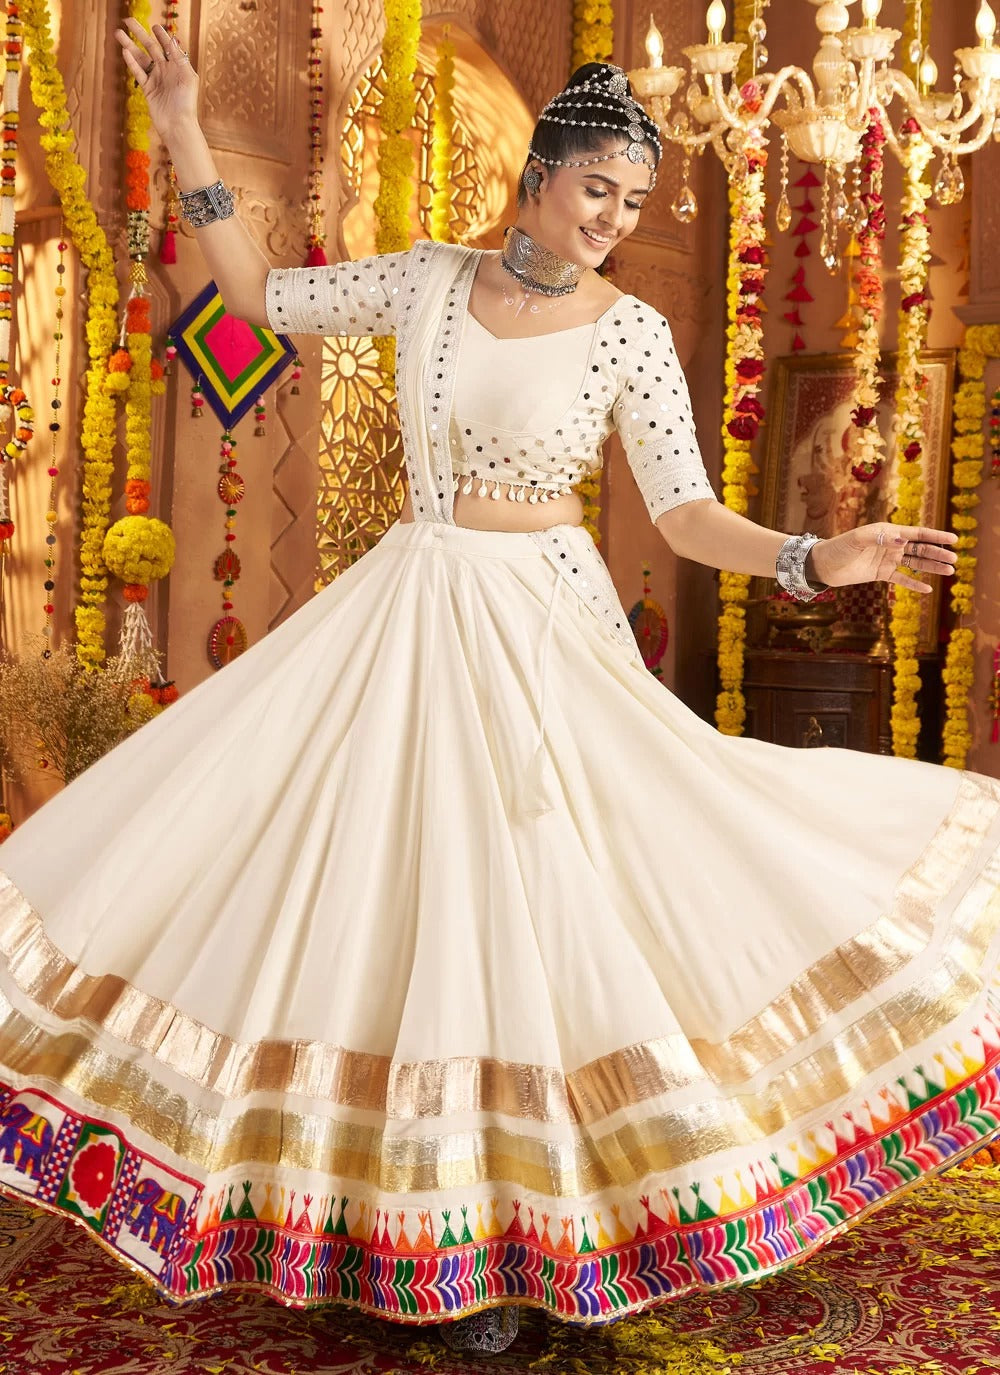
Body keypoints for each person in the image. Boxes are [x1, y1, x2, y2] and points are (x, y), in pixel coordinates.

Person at [0, 21, 991, 1361]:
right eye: (599, 192)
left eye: (635, 205)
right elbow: (256, 302)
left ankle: (525, 1240)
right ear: (537, 177)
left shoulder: (631, 333)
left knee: (538, 911)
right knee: (396, 894)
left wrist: (821, 556)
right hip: (410, 607)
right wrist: (180, 124)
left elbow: (689, 515)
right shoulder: (422, 282)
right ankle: (410, 1220)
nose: (613, 221)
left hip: (541, 629)